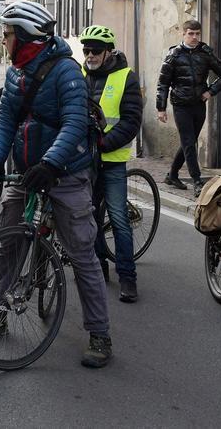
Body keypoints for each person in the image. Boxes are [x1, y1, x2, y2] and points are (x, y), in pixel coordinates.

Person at [0, 0, 112, 368]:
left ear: (25, 36)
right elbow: (9, 120)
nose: (4, 38)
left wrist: (50, 163)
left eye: (8, 33)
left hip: (65, 172)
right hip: (28, 171)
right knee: (9, 239)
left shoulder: (66, 72)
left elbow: (75, 123)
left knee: (82, 253)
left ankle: (99, 333)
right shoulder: (16, 74)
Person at [79, 25, 143, 302]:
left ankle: (128, 278)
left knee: (118, 219)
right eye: (86, 50)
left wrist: (104, 143)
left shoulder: (126, 76)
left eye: (95, 50)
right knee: (89, 218)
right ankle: (99, 268)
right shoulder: (79, 74)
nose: (90, 55)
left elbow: (131, 121)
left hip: (111, 159)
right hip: (84, 159)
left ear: (108, 52)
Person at [155, 19, 221, 193]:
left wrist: (210, 91)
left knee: (189, 141)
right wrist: (161, 108)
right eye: (191, 34)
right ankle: (197, 181)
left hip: (199, 103)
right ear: (183, 34)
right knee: (189, 142)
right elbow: (163, 83)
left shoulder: (205, 53)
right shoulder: (173, 55)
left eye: (197, 34)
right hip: (181, 104)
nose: (194, 37)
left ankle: (172, 175)